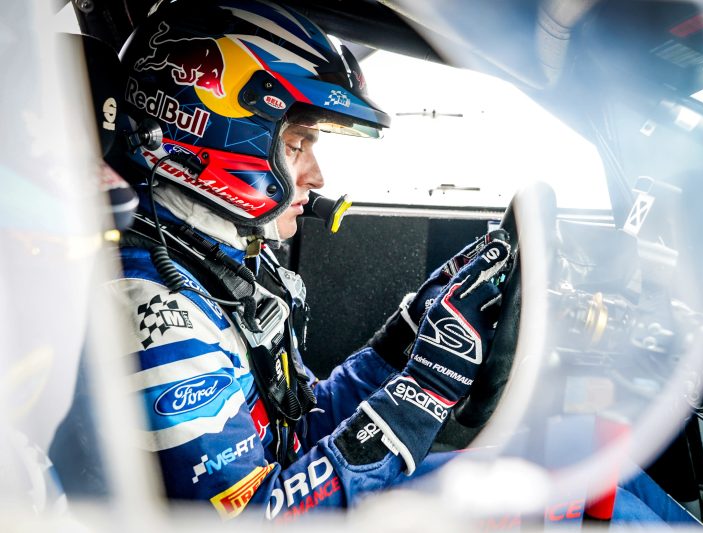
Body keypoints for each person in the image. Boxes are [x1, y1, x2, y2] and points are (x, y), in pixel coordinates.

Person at [106, 0, 512, 522]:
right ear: (216, 130)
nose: (317, 177)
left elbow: (299, 426)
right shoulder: (157, 312)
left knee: (548, 466)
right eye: (298, 144)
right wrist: (427, 390)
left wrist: (407, 339)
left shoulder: (223, 264)